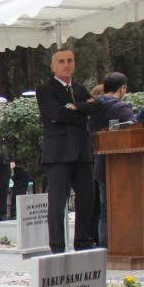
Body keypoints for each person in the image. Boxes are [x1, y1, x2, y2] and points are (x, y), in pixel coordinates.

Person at [35, 49, 99, 253]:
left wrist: (74, 107)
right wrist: (80, 111)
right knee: (57, 202)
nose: (66, 64)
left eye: (70, 60)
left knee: (87, 197)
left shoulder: (80, 89)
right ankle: (57, 245)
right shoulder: (46, 90)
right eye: (61, 61)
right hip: (58, 153)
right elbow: (56, 114)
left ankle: (82, 241)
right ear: (53, 66)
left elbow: (95, 108)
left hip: (82, 151)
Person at [87, 72, 135, 248]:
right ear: (122, 88)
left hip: (99, 163)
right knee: (121, 208)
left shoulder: (91, 106)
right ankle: (121, 246)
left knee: (104, 210)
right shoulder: (121, 108)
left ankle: (105, 247)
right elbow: (133, 128)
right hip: (120, 167)